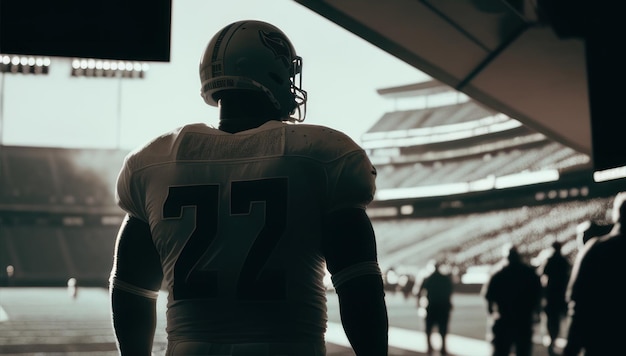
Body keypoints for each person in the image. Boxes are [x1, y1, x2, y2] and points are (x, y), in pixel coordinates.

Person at [108, 20, 388, 356]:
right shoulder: (322, 156)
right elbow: (359, 286)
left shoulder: (153, 163)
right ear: (273, 73)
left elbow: (131, 290)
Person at [563, 192, 626, 356]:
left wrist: (571, 348)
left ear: (616, 215)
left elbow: (577, 302)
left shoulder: (595, 249)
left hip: (599, 341)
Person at [483, 245, 542, 356]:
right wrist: (536, 313)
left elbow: (488, 297)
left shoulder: (498, 274)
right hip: (523, 320)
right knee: (523, 351)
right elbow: (538, 295)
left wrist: (492, 314)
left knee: (501, 351)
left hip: (504, 320)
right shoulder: (529, 273)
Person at [538, 241, 571, 355]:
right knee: (557, 320)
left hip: (551, 296)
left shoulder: (549, 260)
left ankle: (552, 339)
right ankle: (554, 338)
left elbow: (542, 275)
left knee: (551, 320)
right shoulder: (563, 261)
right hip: (560, 295)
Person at [416, 260, 454, 356]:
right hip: (443, 307)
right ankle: (443, 348)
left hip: (431, 306)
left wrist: (419, 305)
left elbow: (417, 292)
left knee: (428, 329)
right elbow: (450, 291)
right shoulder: (445, 279)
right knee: (443, 329)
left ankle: (429, 348)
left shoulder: (427, 278)